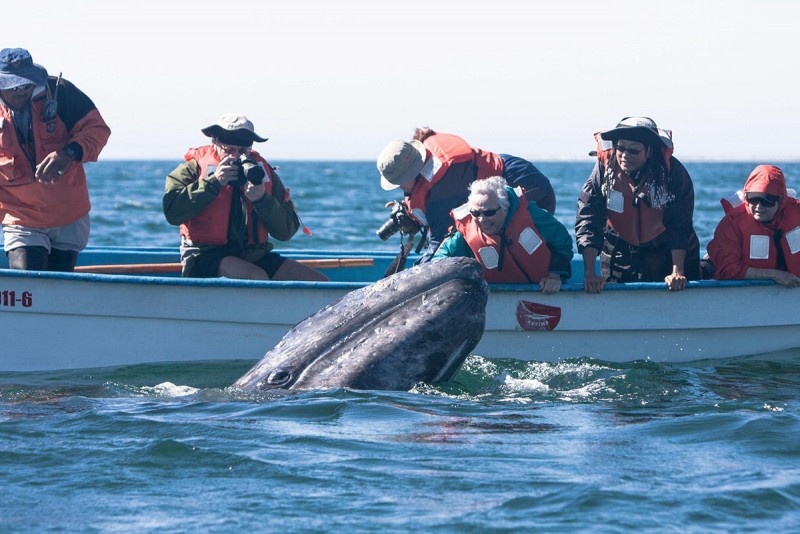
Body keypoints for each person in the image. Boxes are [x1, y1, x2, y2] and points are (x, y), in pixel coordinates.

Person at [163, 114, 327, 281]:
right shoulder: (193, 169)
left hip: (252, 255)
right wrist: (213, 183)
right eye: (229, 150)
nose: (235, 156)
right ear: (215, 143)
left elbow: (285, 233)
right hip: (204, 256)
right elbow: (173, 214)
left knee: (320, 283)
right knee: (255, 277)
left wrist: (263, 200)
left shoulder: (261, 172)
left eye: (242, 151)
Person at [0, 48, 111, 271]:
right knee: (29, 283)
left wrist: (69, 152)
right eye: (12, 87)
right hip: (21, 217)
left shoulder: (62, 93)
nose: (20, 91)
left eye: (26, 84)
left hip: (69, 212)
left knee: (60, 284)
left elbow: (97, 130)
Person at [377, 127, 555, 262]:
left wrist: (415, 277)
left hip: (527, 186)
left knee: (511, 249)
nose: (399, 186)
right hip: (514, 167)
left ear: (414, 171)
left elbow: (440, 247)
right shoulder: (427, 166)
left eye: (400, 181)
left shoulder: (442, 188)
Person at [575, 116, 700, 293]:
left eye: (633, 151)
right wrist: (589, 274)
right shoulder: (604, 170)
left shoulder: (673, 173)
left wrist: (677, 271)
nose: (625, 156)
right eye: (621, 148)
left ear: (649, 151)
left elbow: (679, 224)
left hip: (665, 249)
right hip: (619, 249)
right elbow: (588, 219)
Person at [434, 176, 573, 292]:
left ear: (505, 209)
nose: (482, 220)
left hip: (542, 290)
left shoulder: (532, 215)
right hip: (492, 294)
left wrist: (555, 275)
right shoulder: (464, 230)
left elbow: (563, 242)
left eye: (489, 213)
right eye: (476, 213)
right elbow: (438, 261)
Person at [706, 165, 800, 288]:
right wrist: (774, 275)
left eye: (767, 200)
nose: (759, 207)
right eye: (753, 199)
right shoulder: (731, 223)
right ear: (746, 197)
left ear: (781, 200)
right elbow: (727, 268)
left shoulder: (796, 214)